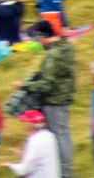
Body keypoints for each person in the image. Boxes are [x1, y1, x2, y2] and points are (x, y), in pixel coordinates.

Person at [19, 21, 76, 176]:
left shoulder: (53, 55)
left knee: (59, 137)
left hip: (54, 101)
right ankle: (64, 171)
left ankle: (65, 173)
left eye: (37, 39)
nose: (37, 43)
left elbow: (47, 84)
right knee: (63, 135)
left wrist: (26, 85)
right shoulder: (66, 46)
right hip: (62, 97)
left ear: (42, 37)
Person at [8, 110, 57, 178]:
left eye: (26, 122)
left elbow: (25, 169)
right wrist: (23, 154)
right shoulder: (50, 136)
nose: (25, 126)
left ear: (31, 124)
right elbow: (39, 158)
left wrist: (10, 166)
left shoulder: (34, 141)